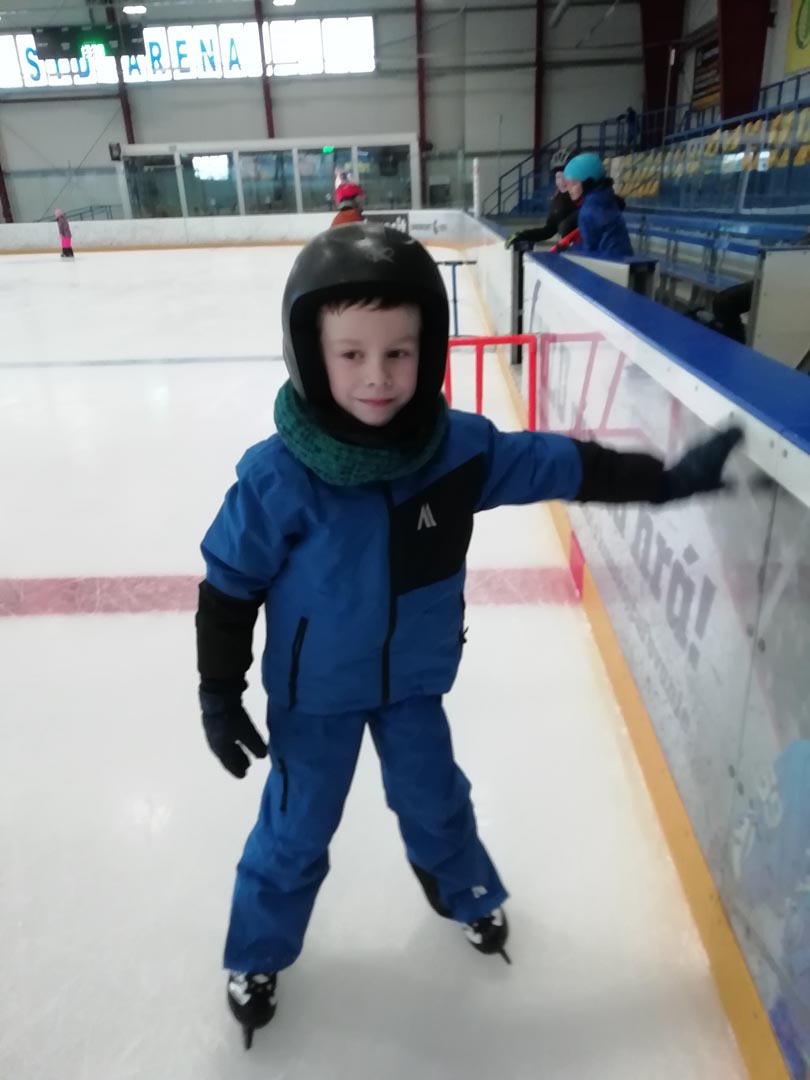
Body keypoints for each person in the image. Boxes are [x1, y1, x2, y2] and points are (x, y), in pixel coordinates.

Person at [196, 223, 742, 1049]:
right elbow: (229, 586)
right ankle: (257, 952)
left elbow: (562, 463)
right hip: (315, 698)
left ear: (429, 351)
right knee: (296, 828)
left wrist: (665, 481)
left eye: (399, 352)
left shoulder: (454, 453)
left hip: (413, 684)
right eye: (351, 355)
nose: (378, 376)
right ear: (309, 355)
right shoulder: (280, 479)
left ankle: (467, 894)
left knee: (436, 799)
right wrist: (218, 690)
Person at [550, 153, 633, 258]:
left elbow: (588, 254)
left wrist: (569, 249)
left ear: (588, 183)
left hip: (609, 264)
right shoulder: (607, 199)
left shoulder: (588, 211)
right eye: (568, 184)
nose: (569, 189)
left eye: (574, 183)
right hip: (624, 259)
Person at [505, 148, 576, 249]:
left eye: (565, 176)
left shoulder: (588, 200)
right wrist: (523, 235)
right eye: (558, 177)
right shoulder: (558, 200)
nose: (561, 182)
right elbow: (548, 230)